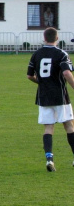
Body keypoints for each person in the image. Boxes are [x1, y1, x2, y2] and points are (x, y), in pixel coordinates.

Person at [27, 27, 74, 172]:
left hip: (43, 95)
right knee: (69, 125)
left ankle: (49, 159)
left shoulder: (37, 54)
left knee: (48, 128)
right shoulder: (61, 54)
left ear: (44, 37)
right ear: (57, 38)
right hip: (60, 95)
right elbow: (66, 72)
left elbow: (29, 76)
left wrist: (41, 82)